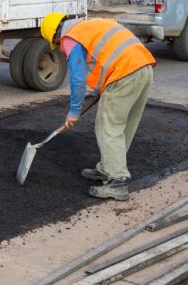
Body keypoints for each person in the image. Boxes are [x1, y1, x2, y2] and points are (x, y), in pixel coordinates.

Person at [40, 13, 156, 201]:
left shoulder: (71, 37)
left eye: (56, 43)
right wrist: (101, 89)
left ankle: (117, 182)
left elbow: (77, 79)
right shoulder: (91, 26)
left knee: (107, 127)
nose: (60, 48)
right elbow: (107, 57)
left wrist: (74, 111)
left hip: (125, 73)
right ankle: (107, 168)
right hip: (144, 69)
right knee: (124, 125)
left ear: (56, 35)